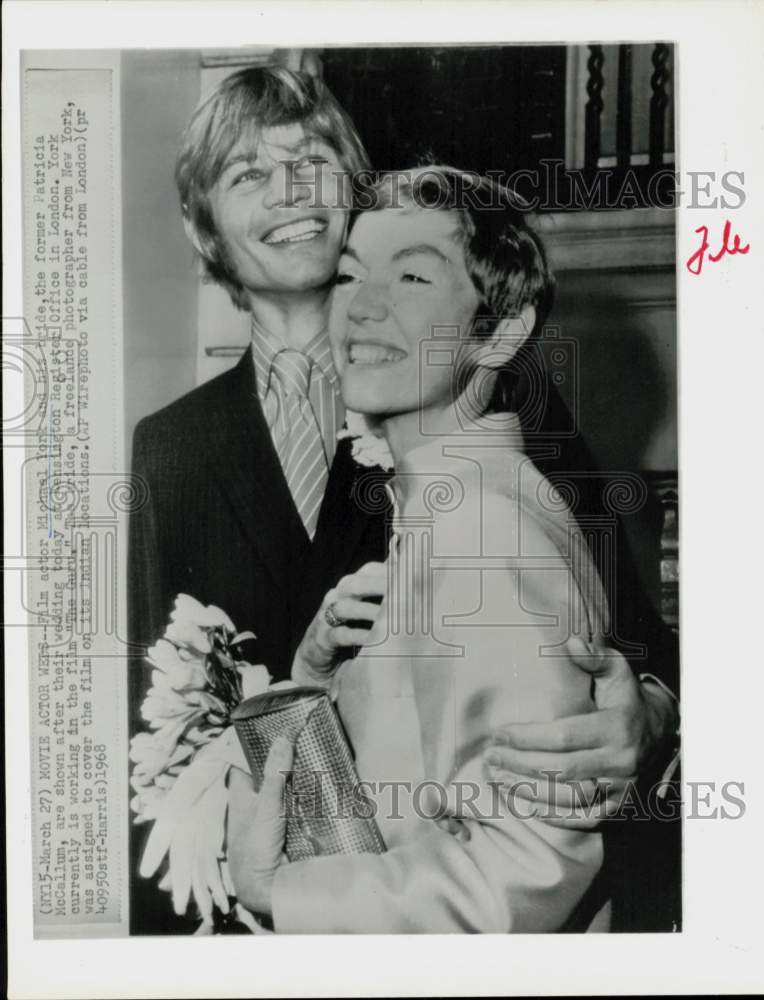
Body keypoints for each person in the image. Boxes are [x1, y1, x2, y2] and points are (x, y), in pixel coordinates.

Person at [128, 66, 679, 931]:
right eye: (246, 174)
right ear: (205, 232)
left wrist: (644, 713)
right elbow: (148, 728)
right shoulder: (168, 447)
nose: (287, 194)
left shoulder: (503, 402)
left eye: (311, 164)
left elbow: (627, 633)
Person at [227, 166, 620, 931]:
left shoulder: (483, 529)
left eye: (410, 276)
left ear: (502, 330)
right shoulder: (442, 503)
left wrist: (282, 895)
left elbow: (525, 868)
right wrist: (317, 676)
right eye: (348, 275)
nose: (362, 308)